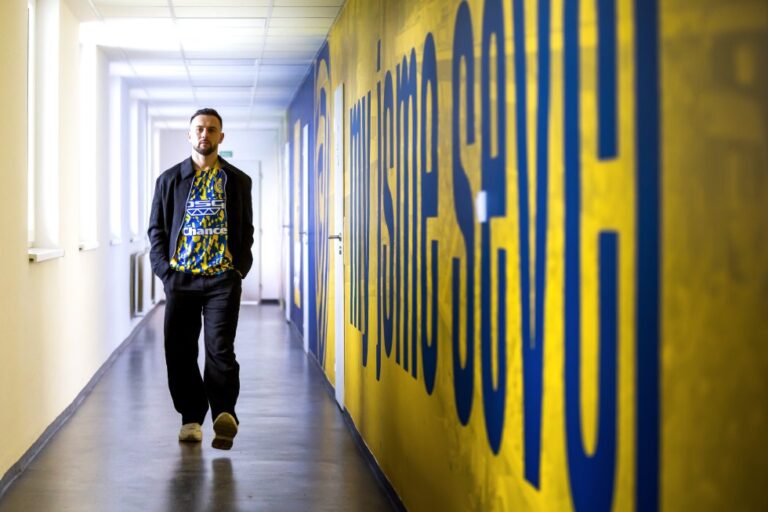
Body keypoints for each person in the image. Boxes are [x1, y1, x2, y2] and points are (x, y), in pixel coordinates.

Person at [148, 108, 254, 450]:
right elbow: (156, 230)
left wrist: (238, 269)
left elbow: (246, 231)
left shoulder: (237, 181)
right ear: (189, 134)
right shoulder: (169, 180)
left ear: (221, 136)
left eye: (211, 129)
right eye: (199, 129)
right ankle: (191, 418)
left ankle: (224, 414)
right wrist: (165, 272)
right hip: (181, 280)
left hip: (222, 279)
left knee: (220, 348)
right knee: (179, 351)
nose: (204, 134)